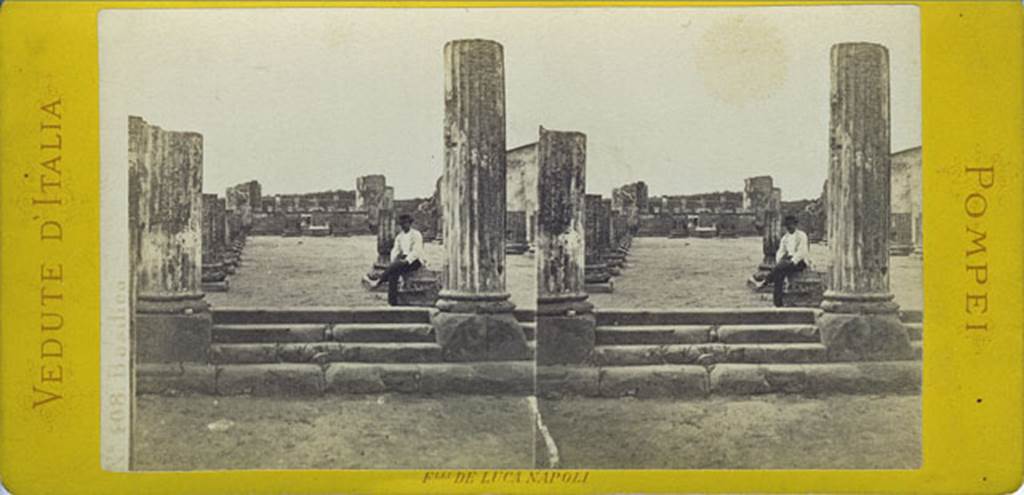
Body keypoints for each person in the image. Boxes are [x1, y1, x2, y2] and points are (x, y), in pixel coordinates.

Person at [363, 214, 424, 305]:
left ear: (410, 223)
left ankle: (378, 282)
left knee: (395, 267)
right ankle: (392, 302)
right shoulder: (400, 236)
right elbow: (395, 250)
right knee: (393, 274)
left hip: (415, 261)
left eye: (405, 223)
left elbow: (416, 251)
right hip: (403, 259)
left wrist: (407, 260)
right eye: (402, 224)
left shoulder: (416, 234)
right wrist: (394, 261)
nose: (403, 226)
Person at [753, 215, 809, 307]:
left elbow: (802, 252)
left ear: (795, 225)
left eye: (791, 225)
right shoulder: (785, 238)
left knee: (779, 269)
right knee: (779, 275)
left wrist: (792, 261)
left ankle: (765, 282)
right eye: (787, 226)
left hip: (800, 262)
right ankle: (778, 303)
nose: (789, 227)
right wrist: (780, 261)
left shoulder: (802, 235)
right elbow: (780, 251)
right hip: (786, 262)